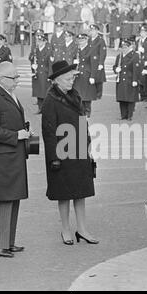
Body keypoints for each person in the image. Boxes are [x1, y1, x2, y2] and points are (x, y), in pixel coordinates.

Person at [41, 60, 98, 246]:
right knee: (64, 194)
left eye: (72, 78)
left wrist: (88, 145)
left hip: (79, 151)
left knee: (80, 192)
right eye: (68, 78)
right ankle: (65, 230)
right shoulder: (50, 100)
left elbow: (84, 122)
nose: (71, 81)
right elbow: (49, 132)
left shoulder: (75, 95)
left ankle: (82, 230)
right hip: (62, 153)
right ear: (57, 80)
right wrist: (54, 159)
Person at [0, 61, 32, 258]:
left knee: (13, 199)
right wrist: (15, 136)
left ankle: (8, 242)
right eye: (14, 77)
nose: (18, 80)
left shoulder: (8, 93)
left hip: (12, 157)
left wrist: (24, 131)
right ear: (1, 79)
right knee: (1, 200)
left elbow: (10, 121)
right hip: (1, 160)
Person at [113, 37, 140, 121]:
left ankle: (129, 116)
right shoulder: (119, 56)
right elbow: (115, 66)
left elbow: (136, 69)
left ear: (129, 47)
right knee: (122, 98)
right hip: (121, 80)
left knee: (130, 98)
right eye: (122, 47)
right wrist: (115, 69)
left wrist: (135, 80)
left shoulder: (134, 55)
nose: (123, 49)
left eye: (125, 47)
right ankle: (123, 115)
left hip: (130, 79)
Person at [72, 33, 98, 118]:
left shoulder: (91, 49)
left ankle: (87, 111)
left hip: (87, 74)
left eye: (82, 40)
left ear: (86, 40)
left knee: (87, 95)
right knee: (78, 94)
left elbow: (94, 64)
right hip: (78, 75)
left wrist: (93, 76)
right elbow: (73, 58)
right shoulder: (77, 49)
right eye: (79, 40)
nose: (81, 42)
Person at [29, 34, 52, 114]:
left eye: (41, 41)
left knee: (45, 91)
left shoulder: (48, 50)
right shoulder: (36, 50)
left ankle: (46, 108)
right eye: (38, 41)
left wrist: (50, 75)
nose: (39, 43)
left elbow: (50, 64)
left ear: (45, 41)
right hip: (37, 72)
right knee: (38, 91)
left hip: (45, 73)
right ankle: (40, 108)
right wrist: (33, 65)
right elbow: (31, 59)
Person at [88, 23, 107, 99]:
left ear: (97, 31)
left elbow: (103, 53)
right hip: (89, 62)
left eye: (93, 30)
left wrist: (101, 63)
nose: (92, 32)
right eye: (91, 30)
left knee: (98, 78)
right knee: (91, 77)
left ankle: (99, 94)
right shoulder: (88, 40)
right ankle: (92, 93)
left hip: (97, 62)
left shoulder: (100, 40)